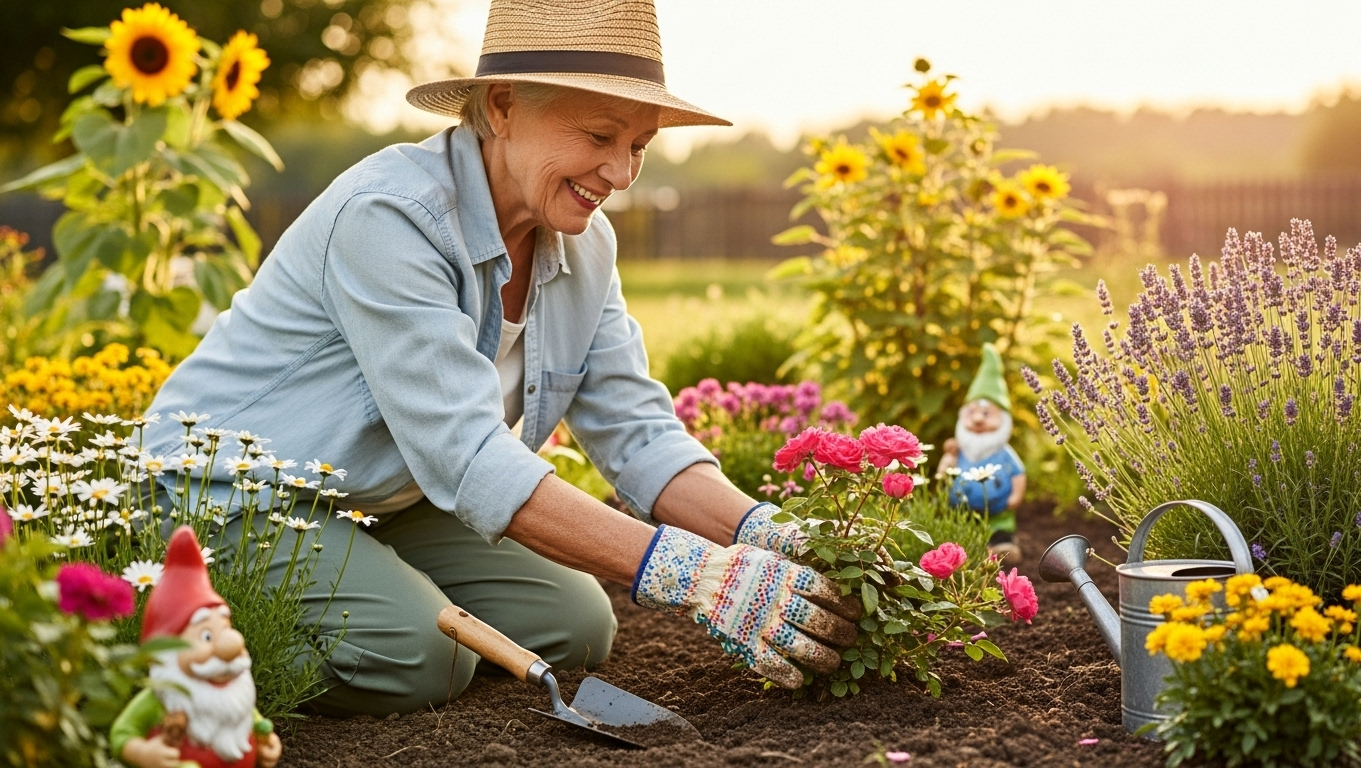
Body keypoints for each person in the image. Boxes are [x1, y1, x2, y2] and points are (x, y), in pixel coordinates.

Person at [142, 0, 857, 717]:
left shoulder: (585, 245)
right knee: (423, 653)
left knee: (574, 625)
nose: (622, 171)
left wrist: (774, 536)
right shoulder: (390, 218)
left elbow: (638, 432)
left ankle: (377, 602)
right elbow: (468, 457)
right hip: (232, 494)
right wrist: (692, 573)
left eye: (640, 144)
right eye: (601, 134)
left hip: (373, 502)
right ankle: (158, 645)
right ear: (504, 104)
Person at [111, 527, 282, 768]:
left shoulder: (234, 701)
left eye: (225, 629)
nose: (230, 646)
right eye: (206, 636)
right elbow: (122, 734)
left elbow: (251, 722)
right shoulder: (157, 701)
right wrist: (142, 753)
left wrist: (267, 745)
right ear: (166, 652)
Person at [938, 343, 1027, 561]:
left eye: (986, 414)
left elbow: (1018, 473)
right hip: (962, 514)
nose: (978, 419)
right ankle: (965, 548)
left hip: (999, 515)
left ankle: (1001, 546)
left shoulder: (1004, 452)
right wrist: (946, 465)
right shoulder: (959, 449)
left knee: (1000, 533)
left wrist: (1016, 495)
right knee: (959, 533)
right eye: (973, 413)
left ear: (1003, 419)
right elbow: (944, 471)